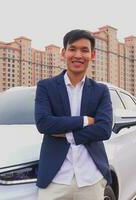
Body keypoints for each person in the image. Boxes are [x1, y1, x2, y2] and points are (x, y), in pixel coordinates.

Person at [34, 29, 113, 200]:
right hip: (55, 180)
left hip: (91, 178)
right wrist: (85, 120)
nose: (78, 55)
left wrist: (67, 135)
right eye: (72, 49)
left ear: (92, 55)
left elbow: (104, 129)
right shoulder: (46, 87)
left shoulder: (101, 91)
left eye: (84, 50)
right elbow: (43, 124)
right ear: (64, 53)